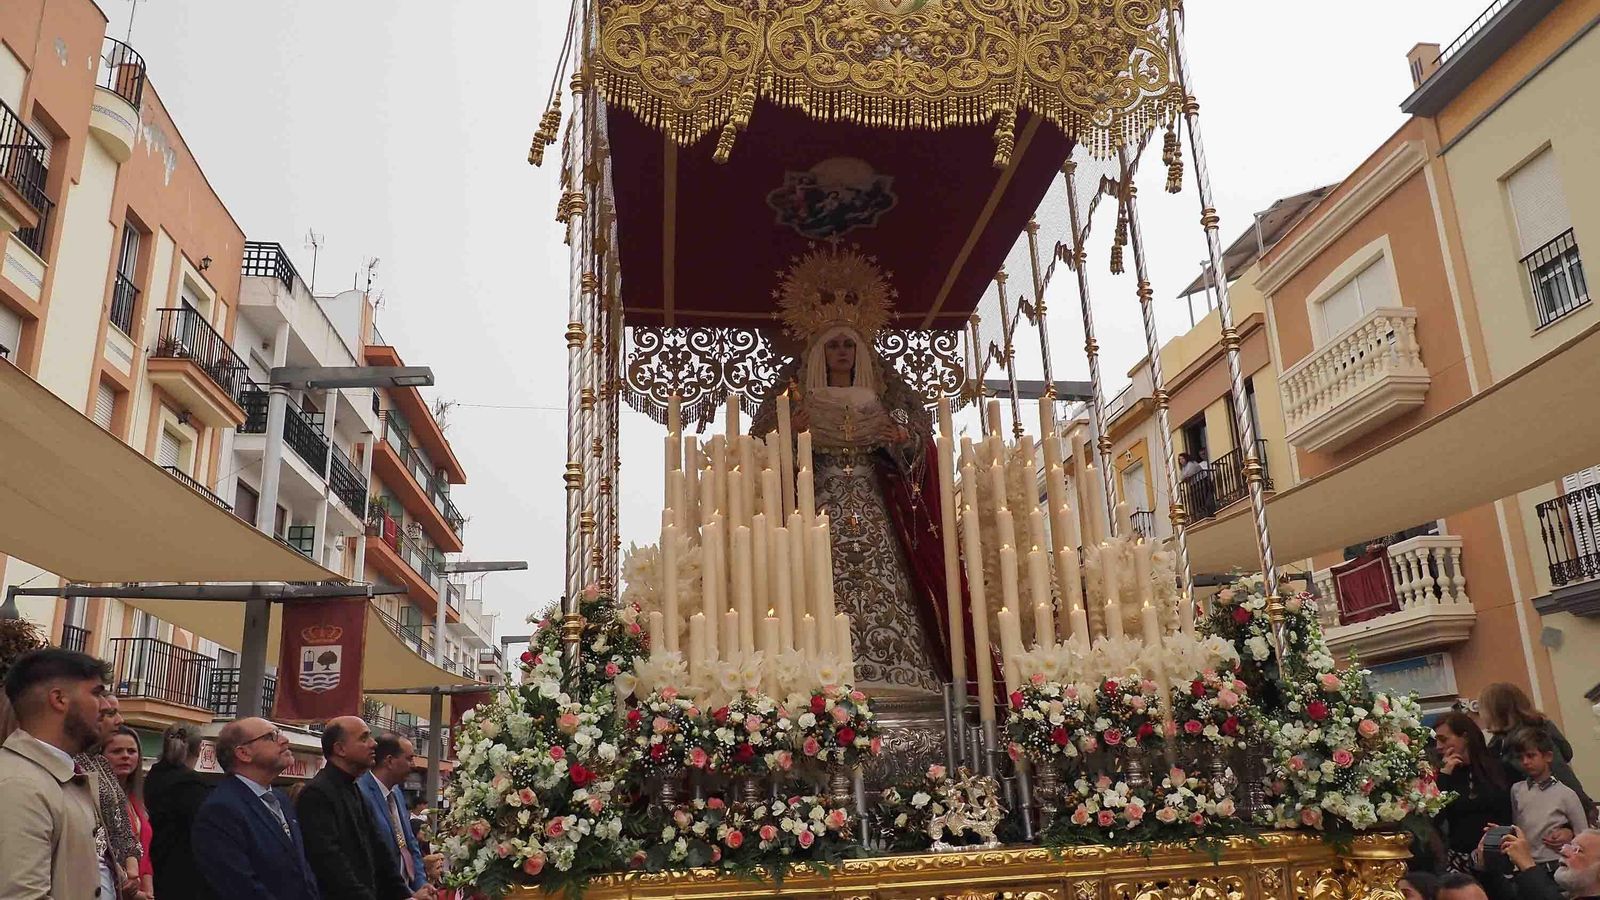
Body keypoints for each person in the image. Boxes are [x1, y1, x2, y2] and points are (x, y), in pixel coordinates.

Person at [751, 247, 970, 696]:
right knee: (820, 586)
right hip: (818, 510)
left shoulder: (880, 401)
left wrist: (901, 441)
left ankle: (901, 673)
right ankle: (822, 676)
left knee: (886, 585)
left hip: (875, 509)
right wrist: (792, 437)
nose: (842, 352)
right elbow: (762, 465)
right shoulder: (799, 406)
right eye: (833, 344)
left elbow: (917, 456)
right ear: (818, 353)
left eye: (849, 343)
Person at [0, 647, 114, 899]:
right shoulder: (21, 785)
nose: (105, 706)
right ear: (59, 699)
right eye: (97, 693)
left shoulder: (52, 777)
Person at [296, 715, 429, 899]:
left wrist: (405, 895)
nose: (373, 744)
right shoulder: (317, 794)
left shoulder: (354, 789)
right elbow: (332, 866)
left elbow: (380, 853)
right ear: (340, 749)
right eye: (364, 738)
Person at [191, 717, 319, 899]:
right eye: (271, 736)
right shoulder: (221, 810)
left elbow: (301, 869)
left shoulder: (281, 800)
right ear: (243, 753)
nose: (284, 740)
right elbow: (240, 886)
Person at [1482, 682, 1595, 822]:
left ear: (1496, 710)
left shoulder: (1527, 738)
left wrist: (1583, 807)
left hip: (1550, 818)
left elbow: (1559, 772)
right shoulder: (1500, 741)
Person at [76, 694, 144, 900]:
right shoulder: (73, 761)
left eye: (132, 751)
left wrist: (132, 871)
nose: (120, 720)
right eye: (109, 713)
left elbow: (121, 825)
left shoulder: (100, 763)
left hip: (112, 878)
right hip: (87, 876)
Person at [1434, 712, 1514, 875]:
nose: (1438, 746)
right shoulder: (1443, 775)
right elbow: (1435, 817)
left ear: (1465, 737)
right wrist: (1444, 776)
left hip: (1499, 856)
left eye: (1443, 739)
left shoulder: (1500, 769)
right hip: (1460, 862)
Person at [143, 724, 210, 899]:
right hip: (181, 880)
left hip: (149, 873)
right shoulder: (193, 785)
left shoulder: (150, 778)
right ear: (199, 748)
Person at [1511, 728, 1590, 872]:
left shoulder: (1566, 794)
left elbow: (1583, 837)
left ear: (1547, 756)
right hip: (1526, 863)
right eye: (1521, 757)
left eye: (1531, 756)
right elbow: (1517, 826)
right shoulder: (1517, 790)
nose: (1525, 762)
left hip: (1556, 863)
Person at [358, 732, 427, 893]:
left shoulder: (396, 793)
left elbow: (411, 845)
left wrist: (420, 885)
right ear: (389, 761)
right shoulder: (361, 794)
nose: (413, 764)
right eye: (409, 758)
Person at [1480, 826, 1600, 900]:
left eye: (1577, 850)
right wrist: (1489, 863)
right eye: (1568, 846)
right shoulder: (1563, 894)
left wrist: (1527, 864)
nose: (1563, 851)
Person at [105, 725, 154, 899]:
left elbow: (145, 853)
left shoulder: (135, 799)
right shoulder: (98, 798)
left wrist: (148, 892)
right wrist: (135, 894)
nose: (125, 756)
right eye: (117, 751)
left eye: (131, 751)